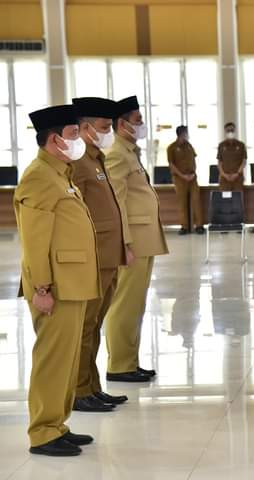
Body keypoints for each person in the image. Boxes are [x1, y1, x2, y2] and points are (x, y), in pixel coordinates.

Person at [15, 104, 99, 456]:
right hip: (56, 288)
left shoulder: (59, 173)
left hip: (73, 283)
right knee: (52, 360)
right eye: (73, 133)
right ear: (54, 139)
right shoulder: (38, 176)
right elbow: (35, 241)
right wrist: (41, 289)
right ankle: (42, 432)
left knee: (65, 360)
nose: (79, 139)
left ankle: (57, 423)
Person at [104, 96, 169, 382]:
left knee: (136, 304)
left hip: (143, 239)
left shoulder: (130, 151)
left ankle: (129, 360)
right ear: (122, 124)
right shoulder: (117, 153)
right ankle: (119, 365)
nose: (141, 126)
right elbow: (115, 201)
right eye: (138, 121)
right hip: (133, 242)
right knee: (124, 304)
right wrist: (124, 242)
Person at [71, 97, 129, 413]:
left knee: (95, 326)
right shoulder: (78, 164)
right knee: (85, 327)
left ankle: (92, 386)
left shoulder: (96, 159)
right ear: (85, 128)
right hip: (93, 256)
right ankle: (80, 391)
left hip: (108, 256)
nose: (109, 133)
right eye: (105, 127)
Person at [168, 125, 204, 235]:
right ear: (181, 134)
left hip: (192, 178)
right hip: (179, 179)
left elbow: (193, 161)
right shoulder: (171, 147)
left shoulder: (189, 146)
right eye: (186, 133)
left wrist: (193, 173)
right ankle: (184, 226)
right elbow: (172, 165)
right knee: (182, 203)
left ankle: (199, 225)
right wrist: (182, 176)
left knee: (196, 201)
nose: (187, 135)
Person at [216, 122, 247, 192]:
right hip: (224, 178)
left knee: (237, 199)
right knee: (225, 200)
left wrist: (237, 174)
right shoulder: (221, 145)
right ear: (225, 132)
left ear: (235, 131)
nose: (230, 132)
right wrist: (224, 174)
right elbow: (219, 162)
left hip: (238, 178)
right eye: (228, 130)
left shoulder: (241, 145)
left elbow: (244, 161)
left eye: (232, 130)